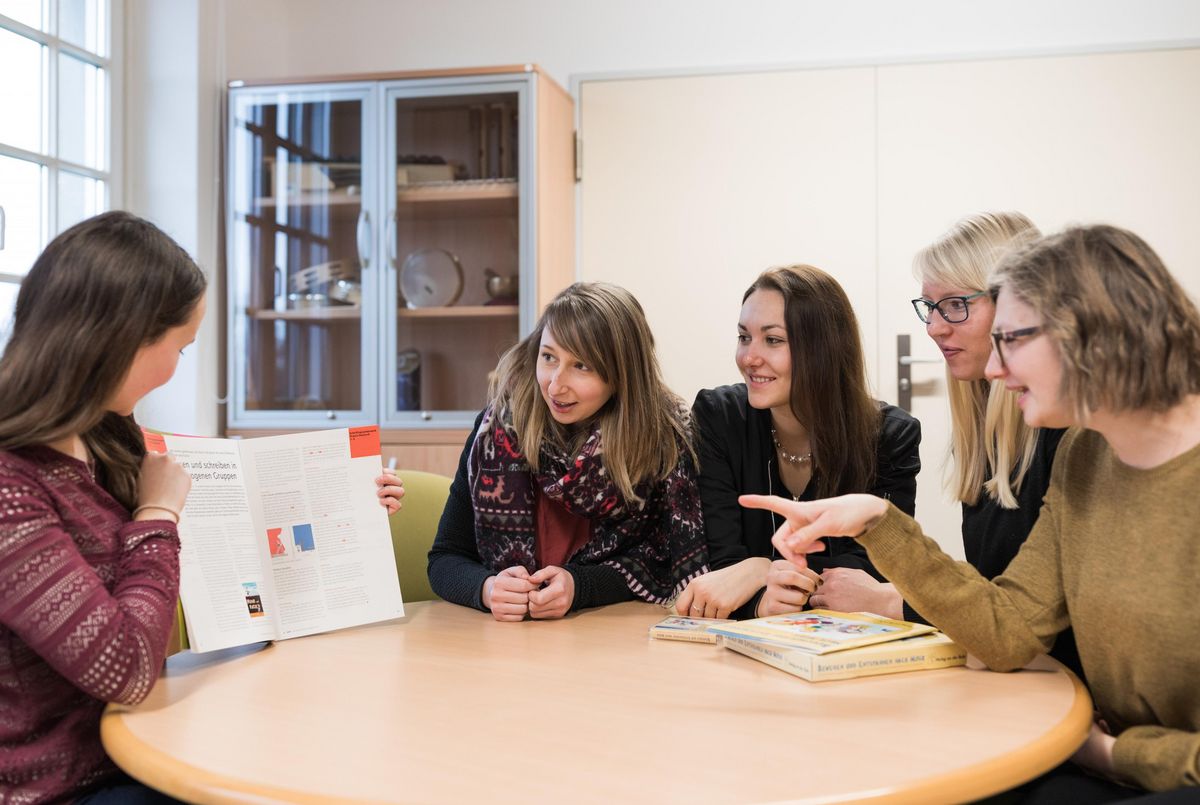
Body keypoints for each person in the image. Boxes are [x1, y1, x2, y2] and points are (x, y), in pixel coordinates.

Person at [748, 224, 1200, 800]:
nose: (991, 368)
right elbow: (1008, 629)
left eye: (1010, 340)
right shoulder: (1086, 456)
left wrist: (1108, 752)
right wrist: (878, 522)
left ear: (1089, 333)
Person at [0, 212, 404, 804]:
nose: (173, 371)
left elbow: (219, 537)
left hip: (142, 739)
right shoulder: (12, 488)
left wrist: (345, 506)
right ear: (120, 342)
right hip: (65, 784)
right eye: (181, 349)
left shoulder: (102, 434)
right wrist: (156, 516)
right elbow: (127, 669)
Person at [807, 212, 1083, 678]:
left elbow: (1022, 623)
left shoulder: (1069, 439)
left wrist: (894, 601)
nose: (934, 328)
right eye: (930, 307)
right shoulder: (984, 437)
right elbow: (1002, 606)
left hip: (1062, 691)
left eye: (955, 305)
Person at [427, 282, 708, 621]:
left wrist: (581, 586)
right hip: (505, 645)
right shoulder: (496, 430)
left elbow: (662, 563)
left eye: (582, 366)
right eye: (548, 357)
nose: (555, 384)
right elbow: (445, 558)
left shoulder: (662, 440)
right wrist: (487, 589)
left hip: (612, 641)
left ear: (622, 375)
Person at [678, 265, 921, 620]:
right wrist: (758, 593)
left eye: (773, 340)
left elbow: (867, 575)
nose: (749, 358)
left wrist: (762, 570)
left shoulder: (889, 436)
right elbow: (722, 566)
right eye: (744, 337)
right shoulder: (718, 417)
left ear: (823, 349)